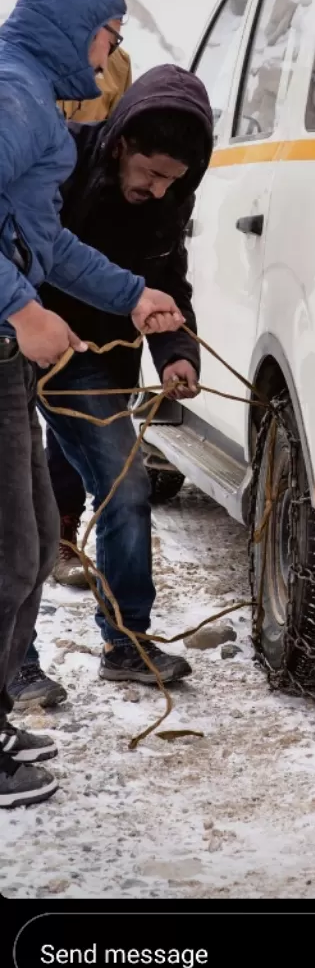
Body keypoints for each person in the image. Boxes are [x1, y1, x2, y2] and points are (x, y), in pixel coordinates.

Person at [0, 0, 184, 807]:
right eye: (112, 30)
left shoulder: (35, 96)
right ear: (80, 24)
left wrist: (133, 294)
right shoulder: (13, 93)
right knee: (11, 549)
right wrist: (20, 311)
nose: (113, 49)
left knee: (33, 537)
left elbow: (48, 240)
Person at [10, 64, 214, 712]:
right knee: (20, 516)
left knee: (126, 491)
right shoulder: (56, 157)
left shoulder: (167, 204)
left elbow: (167, 285)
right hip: (15, 342)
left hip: (94, 366)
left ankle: (126, 641)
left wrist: (177, 352)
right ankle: (15, 663)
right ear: (122, 143)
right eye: (150, 172)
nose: (157, 190)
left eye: (173, 181)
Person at [41, 0, 134, 597]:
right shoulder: (20, 71)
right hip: (29, 257)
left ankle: (67, 533)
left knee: (81, 415)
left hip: (81, 248)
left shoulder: (118, 65)